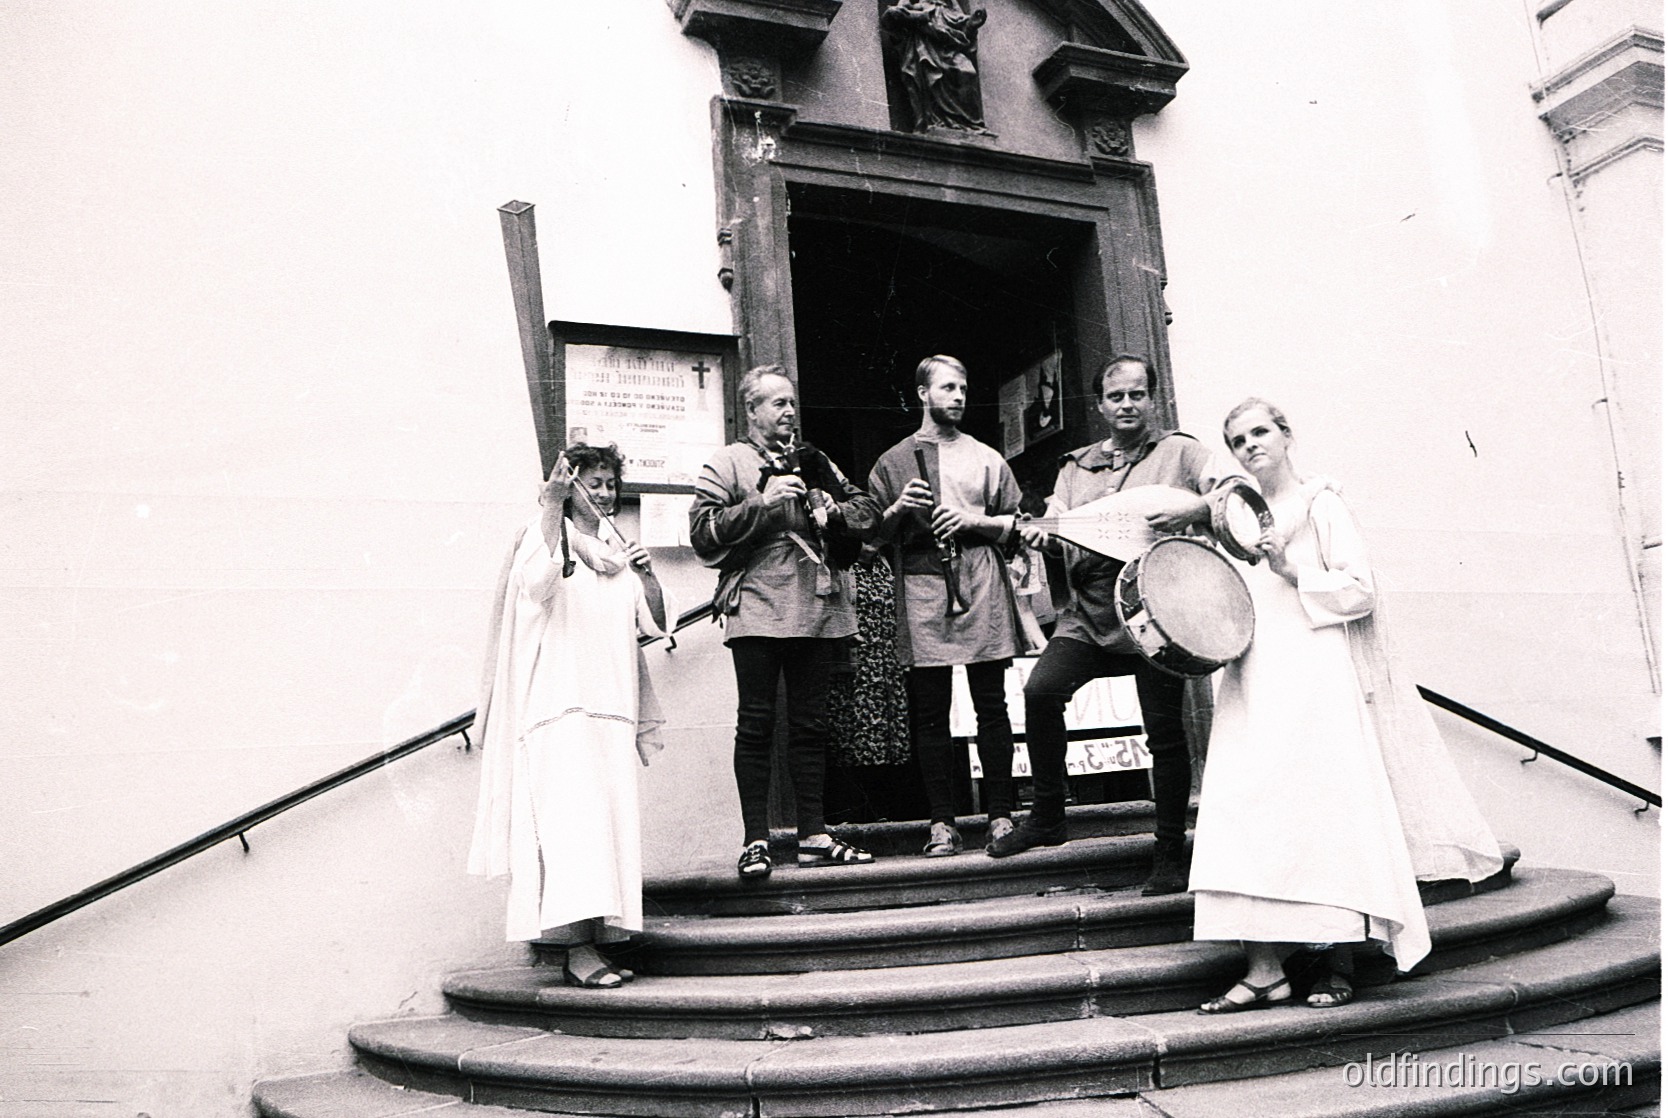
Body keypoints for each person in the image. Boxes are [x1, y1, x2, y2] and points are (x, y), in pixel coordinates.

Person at [1190, 399, 1441, 1012]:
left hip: (1315, 672)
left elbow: (1360, 591)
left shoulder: (1322, 501)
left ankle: (1336, 959)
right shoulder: (1235, 517)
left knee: (1323, 805)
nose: (1250, 445)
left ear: (1285, 435)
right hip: (1252, 674)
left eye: (1259, 432)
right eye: (1236, 439)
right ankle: (1264, 968)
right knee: (1241, 808)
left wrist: (1291, 567)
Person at [997, 355, 1243, 898]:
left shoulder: (1181, 452)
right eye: (1116, 397)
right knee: (1041, 692)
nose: (1126, 405)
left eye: (1137, 395)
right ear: (1101, 404)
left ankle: (1168, 851)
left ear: (1152, 400)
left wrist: (1194, 510)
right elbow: (1058, 518)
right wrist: (1044, 534)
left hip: (1157, 615)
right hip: (1088, 615)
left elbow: (1233, 492)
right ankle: (1047, 815)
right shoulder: (1076, 466)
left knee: (1165, 735)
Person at [467, 444, 668, 989]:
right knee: (574, 831)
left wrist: (647, 575)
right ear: (570, 485)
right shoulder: (542, 536)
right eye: (592, 482)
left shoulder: (616, 554)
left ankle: (601, 943)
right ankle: (577, 952)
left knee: (607, 830)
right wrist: (551, 507)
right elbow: (539, 584)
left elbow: (655, 627)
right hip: (561, 707)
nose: (603, 493)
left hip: (611, 709)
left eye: (609, 484)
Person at [690, 365, 882, 877]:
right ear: (751, 411)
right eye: (777, 403)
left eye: (792, 403)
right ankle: (756, 840)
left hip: (817, 602)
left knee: (810, 725)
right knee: (755, 724)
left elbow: (868, 508)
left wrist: (834, 513)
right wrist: (763, 503)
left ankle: (814, 834)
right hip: (755, 601)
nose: (789, 412)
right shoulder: (726, 463)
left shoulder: (815, 460)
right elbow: (702, 533)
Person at [869, 355, 1029, 856]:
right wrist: (899, 511)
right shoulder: (893, 462)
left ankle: (1001, 815)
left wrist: (972, 522)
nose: (959, 396)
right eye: (947, 388)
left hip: (980, 578)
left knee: (992, 705)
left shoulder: (986, 457)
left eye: (963, 388)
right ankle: (942, 822)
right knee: (931, 711)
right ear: (922, 393)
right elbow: (869, 539)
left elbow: (1017, 527)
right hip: (921, 582)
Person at [879, 0, 988, 132]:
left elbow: (964, 34)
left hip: (950, 49)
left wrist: (972, 25)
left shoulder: (951, 12)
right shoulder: (919, 7)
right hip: (926, 47)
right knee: (932, 78)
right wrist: (905, 14)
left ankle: (968, 124)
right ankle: (936, 121)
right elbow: (894, 14)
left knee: (967, 72)